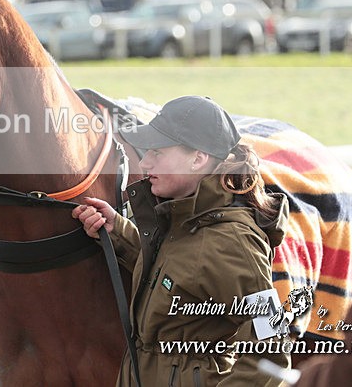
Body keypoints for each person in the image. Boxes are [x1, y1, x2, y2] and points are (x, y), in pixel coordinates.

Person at [73, 95, 290, 386]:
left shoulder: (233, 242)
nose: (146, 161)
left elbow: (271, 344)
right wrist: (117, 232)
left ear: (198, 158)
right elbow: (178, 275)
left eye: (158, 153)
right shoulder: (182, 216)